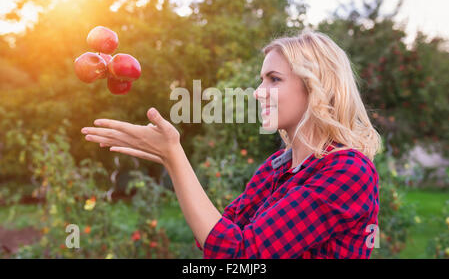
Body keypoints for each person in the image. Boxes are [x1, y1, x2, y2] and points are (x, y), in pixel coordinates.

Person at [81, 29, 382, 258]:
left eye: (274, 79)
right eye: (262, 80)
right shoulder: (276, 168)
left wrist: (174, 156)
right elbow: (214, 236)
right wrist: (170, 159)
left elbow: (239, 254)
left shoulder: (348, 171)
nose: (258, 92)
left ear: (316, 87)